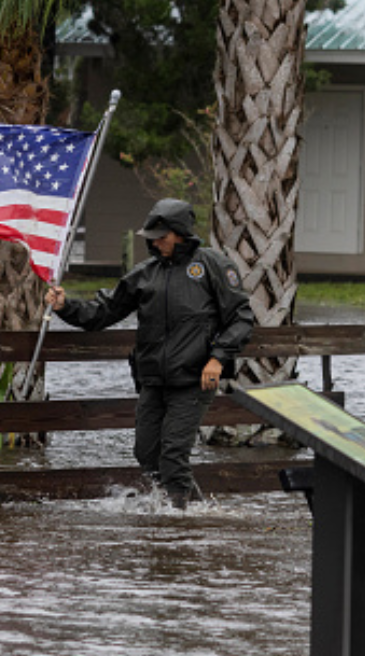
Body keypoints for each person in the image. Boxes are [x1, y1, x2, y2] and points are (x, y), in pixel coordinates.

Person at [45, 198, 254, 509]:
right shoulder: (144, 274)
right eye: (152, 238)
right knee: (146, 452)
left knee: (173, 454)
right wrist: (66, 306)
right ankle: (188, 508)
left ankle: (180, 519)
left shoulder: (213, 265)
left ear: (180, 232)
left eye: (162, 237)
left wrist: (217, 359)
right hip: (152, 380)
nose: (156, 243)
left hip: (195, 379)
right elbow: (103, 312)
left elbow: (241, 317)